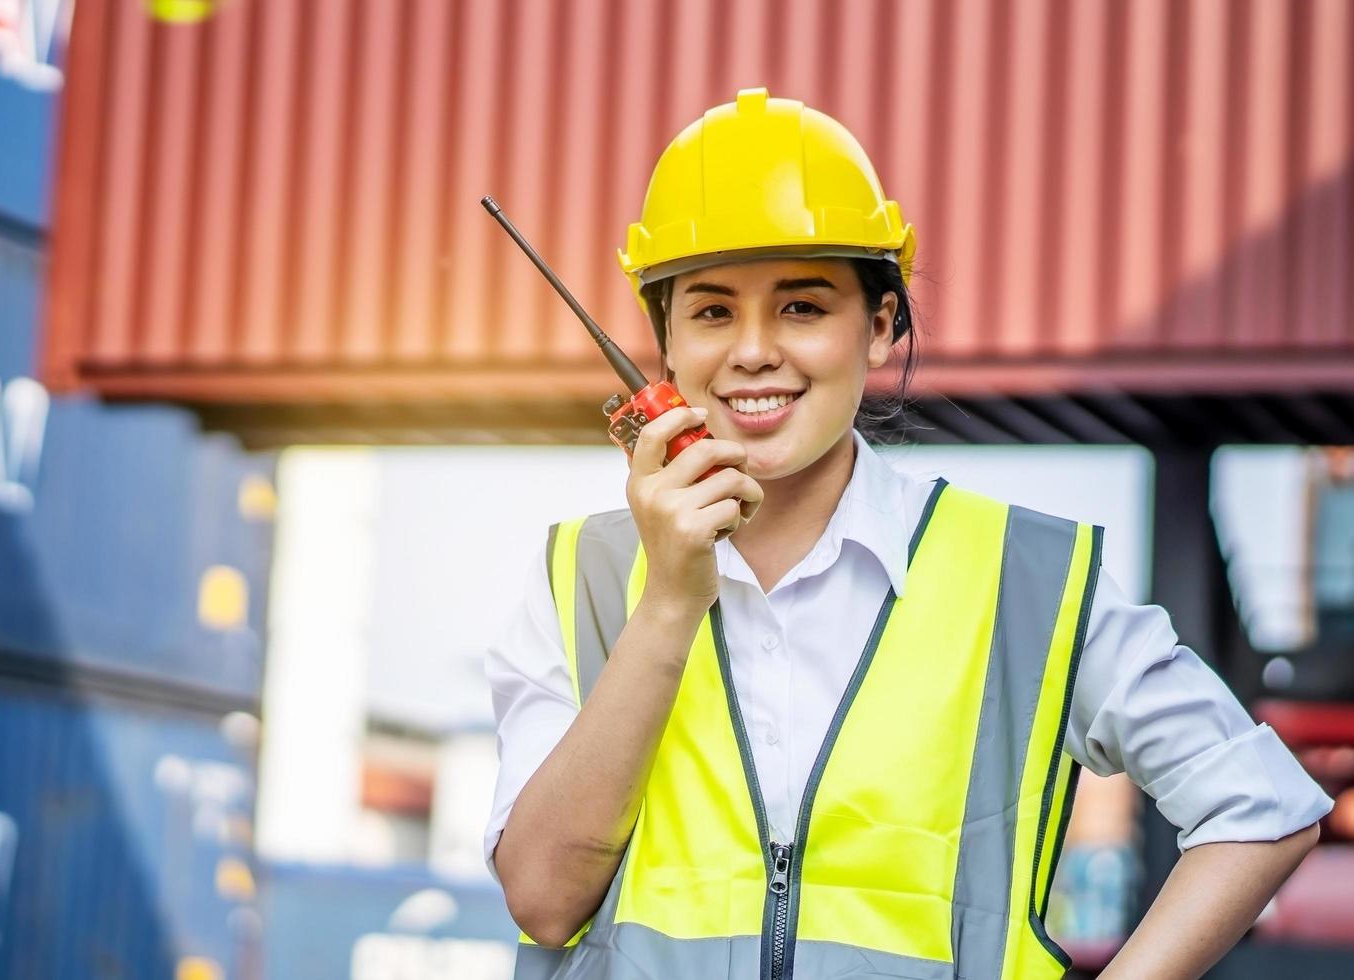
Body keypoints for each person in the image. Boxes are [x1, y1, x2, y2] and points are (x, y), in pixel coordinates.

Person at [484, 89, 1331, 980]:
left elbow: (1261, 807)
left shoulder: (1023, 583)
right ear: (663, 338)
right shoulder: (581, 576)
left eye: (803, 307)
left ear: (881, 325)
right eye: (711, 310)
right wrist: (666, 604)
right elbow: (542, 902)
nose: (753, 350)